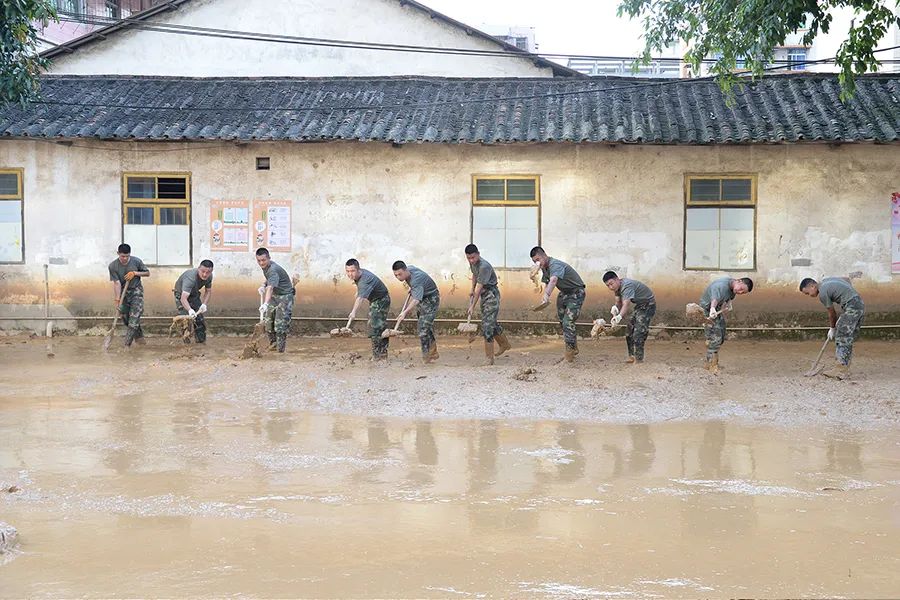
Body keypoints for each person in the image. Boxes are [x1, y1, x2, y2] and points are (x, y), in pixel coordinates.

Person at [799, 277, 865, 380]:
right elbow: (846, 280)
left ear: (812, 286)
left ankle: (840, 370)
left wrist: (832, 328)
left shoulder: (822, 293)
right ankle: (843, 366)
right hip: (857, 303)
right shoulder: (826, 281)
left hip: (852, 306)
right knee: (847, 336)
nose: (810, 296)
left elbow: (832, 313)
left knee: (842, 335)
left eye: (808, 293)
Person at [530, 246, 586, 362]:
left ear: (544, 255)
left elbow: (553, 280)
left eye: (538, 259)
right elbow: (547, 282)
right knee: (562, 321)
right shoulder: (544, 268)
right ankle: (573, 348)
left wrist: (547, 295)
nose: (537, 263)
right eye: (534, 261)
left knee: (568, 321)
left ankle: (570, 351)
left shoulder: (555, 264)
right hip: (564, 293)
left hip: (576, 292)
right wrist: (544, 297)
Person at [465, 244, 511, 365]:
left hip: (491, 295)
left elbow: (479, 289)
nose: (471, 260)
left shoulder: (484, 266)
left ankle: (489, 358)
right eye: (469, 258)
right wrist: (472, 288)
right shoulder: (473, 263)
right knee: (490, 321)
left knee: (487, 325)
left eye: (473, 258)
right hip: (484, 295)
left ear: (478, 254)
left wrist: (472, 306)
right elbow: (474, 275)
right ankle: (504, 344)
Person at [699, 276, 754, 373]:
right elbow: (715, 299)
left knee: (722, 333)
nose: (740, 292)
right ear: (739, 281)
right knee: (715, 337)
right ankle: (711, 365)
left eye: (743, 292)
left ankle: (712, 361)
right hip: (708, 310)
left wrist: (728, 303)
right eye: (741, 289)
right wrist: (712, 309)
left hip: (717, 310)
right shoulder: (720, 286)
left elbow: (729, 297)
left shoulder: (733, 286)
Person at [392, 261, 440, 364]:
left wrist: (404, 312)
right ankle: (433, 352)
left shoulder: (416, 280)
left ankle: (426, 358)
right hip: (422, 296)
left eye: (400, 274)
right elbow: (417, 292)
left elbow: (416, 300)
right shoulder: (410, 269)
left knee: (423, 329)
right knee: (426, 326)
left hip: (431, 299)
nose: (398, 277)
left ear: (405, 270)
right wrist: (413, 288)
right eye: (395, 275)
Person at [602, 271, 656, 363]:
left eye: (611, 284)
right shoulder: (617, 288)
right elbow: (618, 302)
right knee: (629, 331)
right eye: (608, 286)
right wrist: (615, 309)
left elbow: (626, 304)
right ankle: (632, 356)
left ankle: (639, 359)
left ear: (617, 279)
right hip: (639, 306)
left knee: (638, 332)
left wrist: (619, 317)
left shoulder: (627, 286)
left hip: (648, 305)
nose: (610, 287)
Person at [345, 258, 391, 360]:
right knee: (377, 326)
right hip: (375, 300)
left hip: (381, 300)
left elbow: (360, 298)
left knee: (374, 327)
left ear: (358, 269)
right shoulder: (360, 275)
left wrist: (353, 312)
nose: (350, 274)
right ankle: (381, 354)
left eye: (352, 271)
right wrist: (359, 291)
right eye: (347, 271)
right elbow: (362, 290)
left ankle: (379, 356)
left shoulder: (365, 280)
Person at [108, 243, 150, 347]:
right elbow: (117, 283)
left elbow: (147, 273)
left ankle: (126, 346)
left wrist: (135, 273)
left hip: (136, 291)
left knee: (134, 319)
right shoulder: (113, 266)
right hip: (123, 293)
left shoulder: (136, 261)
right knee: (126, 319)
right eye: (123, 256)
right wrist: (117, 300)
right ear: (118, 254)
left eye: (127, 256)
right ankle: (140, 339)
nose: (125, 258)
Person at [256, 247, 294, 353]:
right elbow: (268, 279)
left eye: (263, 260)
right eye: (259, 260)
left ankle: (280, 351)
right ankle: (273, 346)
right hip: (275, 295)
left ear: (269, 258)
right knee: (268, 323)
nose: (261, 263)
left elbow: (270, 288)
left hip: (285, 296)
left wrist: (265, 303)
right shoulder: (267, 267)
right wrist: (263, 285)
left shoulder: (273, 269)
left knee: (280, 325)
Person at [173, 260, 214, 344]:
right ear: (198, 269)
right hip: (181, 294)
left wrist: (204, 304)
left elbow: (208, 291)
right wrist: (190, 310)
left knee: (200, 320)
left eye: (208, 272)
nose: (205, 274)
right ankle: (186, 346)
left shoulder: (209, 277)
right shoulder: (190, 278)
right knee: (186, 322)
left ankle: (200, 344)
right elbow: (183, 298)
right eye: (203, 271)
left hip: (194, 294)